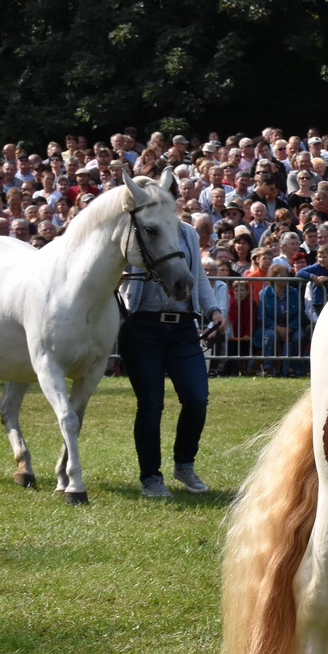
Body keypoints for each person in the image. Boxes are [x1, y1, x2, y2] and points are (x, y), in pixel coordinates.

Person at [118, 195, 223, 498]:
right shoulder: (134, 228)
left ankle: (184, 464)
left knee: (197, 398)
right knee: (151, 404)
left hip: (182, 327)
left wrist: (214, 310)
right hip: (142, 326)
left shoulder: (187, 233)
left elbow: (197, 277)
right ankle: (151, 477)